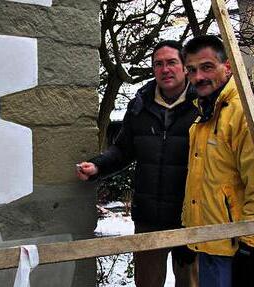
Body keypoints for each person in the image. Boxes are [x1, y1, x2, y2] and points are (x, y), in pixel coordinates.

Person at [77, 41, 198, 287]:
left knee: (192, 282)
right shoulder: (140, 106)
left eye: (172, 62)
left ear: (185, 67)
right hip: (149, 217)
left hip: (191, 216)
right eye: (159, 64)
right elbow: (123, 149)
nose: (165, 69)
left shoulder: (202, 106)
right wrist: (97, 166)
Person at [181, 35, 254, 287]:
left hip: (235, 249)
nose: (198, 77)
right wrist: (190, 233)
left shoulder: (249, 115)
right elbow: (201, 184)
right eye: (192, 70)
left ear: (227, 67)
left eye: (207, 67)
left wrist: (250, 248)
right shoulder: (204, 119)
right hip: (209, 243)